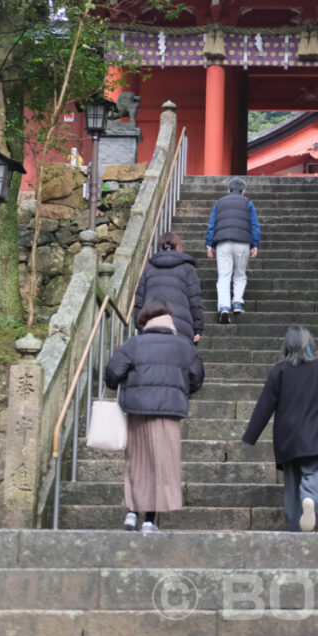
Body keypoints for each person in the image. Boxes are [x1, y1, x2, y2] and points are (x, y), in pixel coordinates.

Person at [105, 298, 204, 532]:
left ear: (144, 321)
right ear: (169, 320)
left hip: (137, 410)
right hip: (169, 412)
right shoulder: (184, 345)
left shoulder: (134, 343)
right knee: (162, 463)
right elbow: (197, 378)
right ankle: (150, 520)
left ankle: (131, 513)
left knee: (137, 462)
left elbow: (112, 374)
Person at [242, 325, 318, 532]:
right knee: (311, 473)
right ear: (309, 344)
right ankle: (309, 497)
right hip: (316, 435)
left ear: (287, 346)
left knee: (291, 482)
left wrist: (250, 436)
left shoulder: (280, 371)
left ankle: (295, 525)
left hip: (287, 436)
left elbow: (264, 405)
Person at [206, 176, 261, 323]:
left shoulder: (219, 203)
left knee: (224, 276)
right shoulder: (248, 203)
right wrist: (255, 244)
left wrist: (209, 244)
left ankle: (224, 307)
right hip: (243, 242)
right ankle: (237, 303)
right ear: (243, 191)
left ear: (228, 190)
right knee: (240, 274)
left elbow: (212, 224)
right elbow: (254, 225)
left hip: (223, 242)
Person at [134, 231, 203, 342]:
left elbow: (139, 299)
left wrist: (139, 325)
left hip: (152, 324)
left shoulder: (149, 268)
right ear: (178, 246)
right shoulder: (187, 268)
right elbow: (194, 299)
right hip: (181, 326)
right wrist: (198, 327)